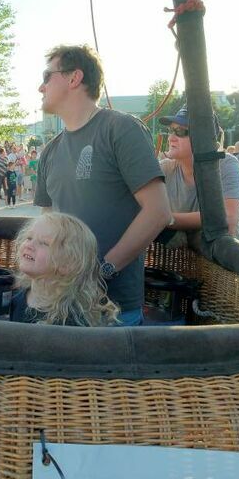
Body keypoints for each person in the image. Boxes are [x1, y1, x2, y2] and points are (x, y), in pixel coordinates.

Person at [34, 45, 170, 326]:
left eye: (47, 76)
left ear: (74, 78)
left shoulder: (120, 129)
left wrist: (102, 270)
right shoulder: (49, 151)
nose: (40, 86)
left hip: (113, 309)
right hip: (61, 306)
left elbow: (158, 212)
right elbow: (48, 225)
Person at [9, 213, 120, 326]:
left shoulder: (72, 319)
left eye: (44, 243)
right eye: (29, 238)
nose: (29, 245)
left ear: (68, 264)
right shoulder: (14, 297)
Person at [156, 107, 239, 237]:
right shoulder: (164, 168)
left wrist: (164, 219)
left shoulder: (225, 164)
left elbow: (228, 217)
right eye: (170, 131)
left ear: (204, 138)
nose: (171, 138)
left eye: (180, 131)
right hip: (179, 255)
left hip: (217, 254)